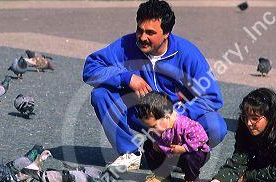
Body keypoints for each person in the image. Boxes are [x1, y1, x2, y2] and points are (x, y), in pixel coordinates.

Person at [82, 0, 227, 170]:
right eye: (140, 30)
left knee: (217, 126)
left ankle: (189, 152)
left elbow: (212, 99)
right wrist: (125, 78)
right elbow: (90, 69)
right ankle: (131, 154)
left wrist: (174, 117)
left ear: (166, 33)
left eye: (150, 33)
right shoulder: (126, 45)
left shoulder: (188, 54)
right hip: (142, 115)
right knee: (100, 94)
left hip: (179, 120)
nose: (142, 37)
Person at [137, 91, 210, 182]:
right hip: (170, 152)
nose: (151, 130)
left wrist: (184, 148)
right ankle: (163, 176)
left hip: (191, 153)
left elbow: (202, 138)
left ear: (166, 117)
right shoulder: (160, 126)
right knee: (148, 146)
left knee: (190, 157)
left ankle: (191, 179)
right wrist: (155, 141)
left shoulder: (183, 124)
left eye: (153, 126)